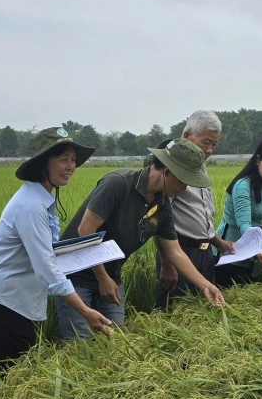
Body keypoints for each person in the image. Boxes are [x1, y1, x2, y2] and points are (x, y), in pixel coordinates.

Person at [56, 137, 225, 340]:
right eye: (182, 181)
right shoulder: (118, 183)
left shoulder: (162, 205)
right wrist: (102, 278)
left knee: (116, 342)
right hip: (77, 278)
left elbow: (175, 252)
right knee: (79, 344)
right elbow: (85, 230)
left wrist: (206, 285)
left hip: (112, 277)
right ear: (167, 172)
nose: (184, 188)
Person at [0, 126, 113, 365]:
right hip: (4, 302)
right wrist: (85, 312)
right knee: (12, 377)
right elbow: (47, 270)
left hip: (16, 303)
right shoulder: (30, 206)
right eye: (63, 159)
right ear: (42, 164)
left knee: (18, 374)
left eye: (73, 160)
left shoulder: (39, 200)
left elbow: (47, 257)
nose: (71, 166)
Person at [151, 110, 236, 309]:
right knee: (175, 312)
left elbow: (199, 215)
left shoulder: (201, 169)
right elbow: (157, 219)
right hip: (179, 252)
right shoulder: (172, 171)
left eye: (214, 144)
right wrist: (167, 263)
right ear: (187, 135)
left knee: (205, 308)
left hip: (205, 254)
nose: (210, 150)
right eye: (206, 142)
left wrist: (218, 242)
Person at [213, 136, 262, 288]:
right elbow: (245, 225)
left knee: (254, 297)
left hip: (255, 255)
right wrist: (258, 251)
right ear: (257, 160)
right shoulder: (243, 186)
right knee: (233, 298)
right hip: (231, 254)